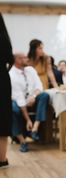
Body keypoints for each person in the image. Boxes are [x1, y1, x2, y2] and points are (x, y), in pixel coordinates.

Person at [10, 52, 49, 151]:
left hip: (32, 98)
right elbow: (19, 99)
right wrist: (28, 120)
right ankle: (22, 141)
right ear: (17, 60)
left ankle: (35, 129)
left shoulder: (30, 70)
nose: (27, 59)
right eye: (24, 58)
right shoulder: (12, 75)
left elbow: (39, 87)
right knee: (13, 108)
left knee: (44, 95)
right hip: (19, 102)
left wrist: (33, 96)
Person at [0, 13, 14, 168]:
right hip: (3, 80)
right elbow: (9, 60)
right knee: (3, 118)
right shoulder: (4, 38)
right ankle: (2, 159)